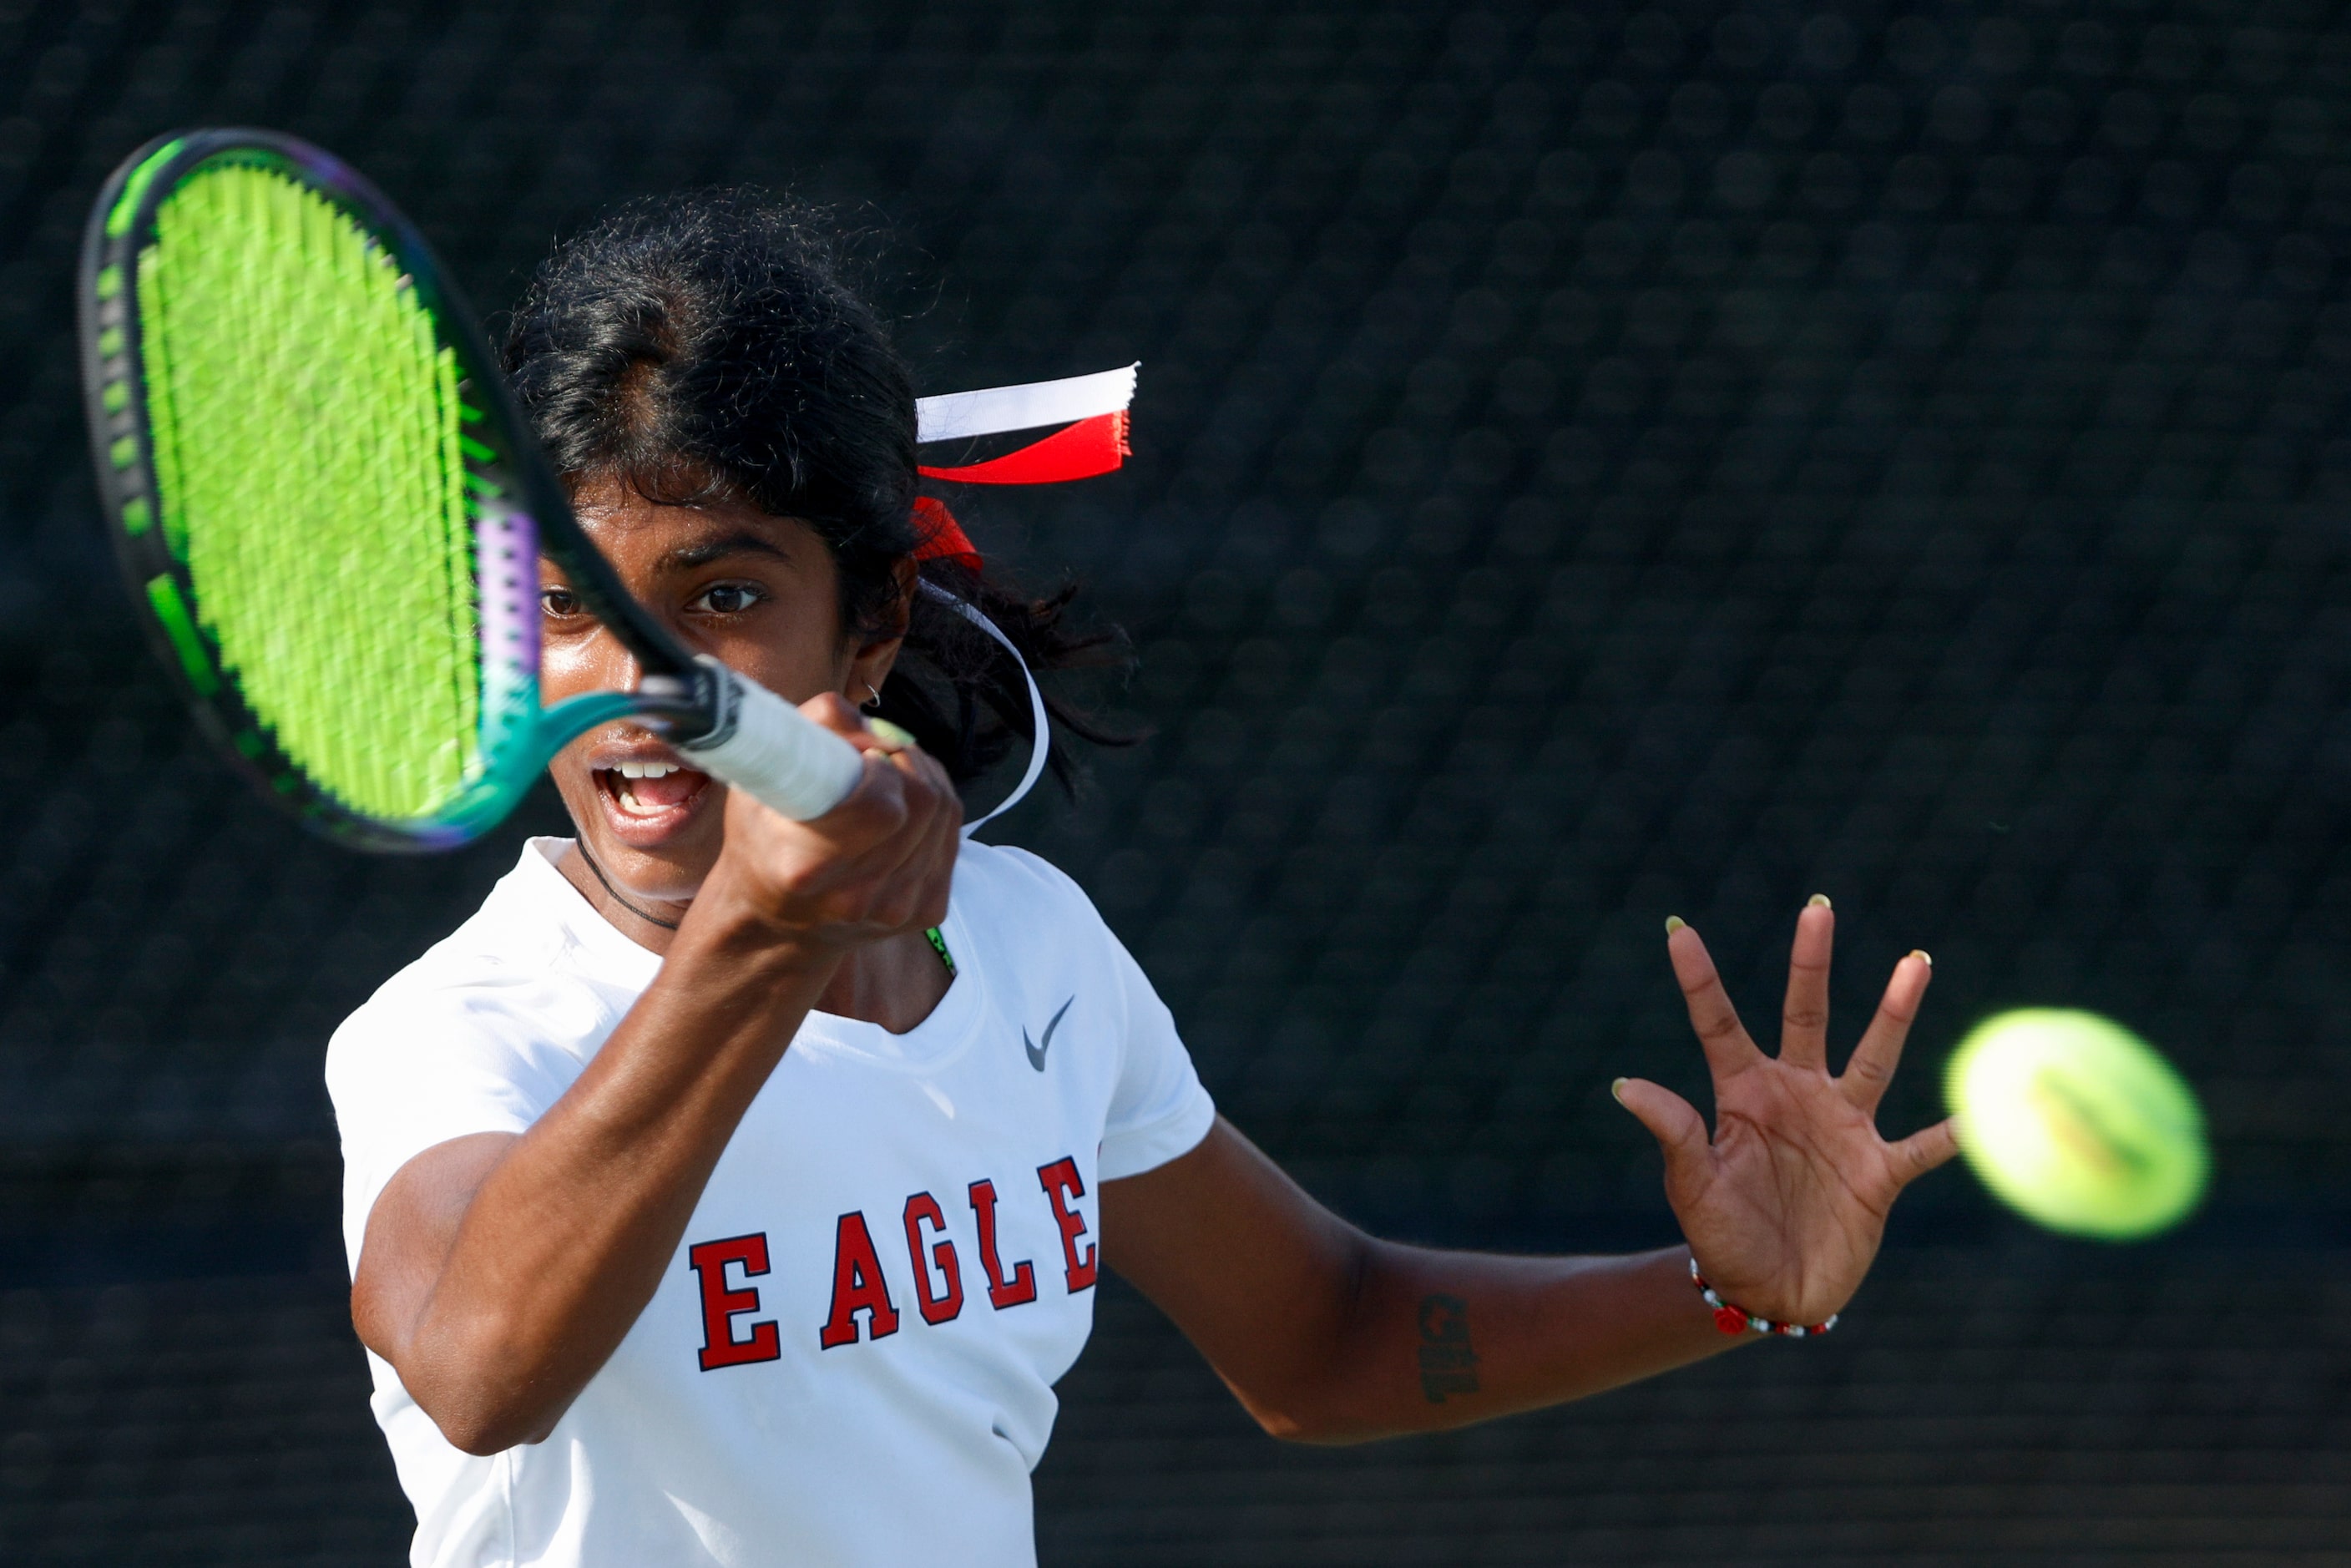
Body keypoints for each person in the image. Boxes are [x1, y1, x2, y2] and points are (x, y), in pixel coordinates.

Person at [326, 193, 1959, 1568]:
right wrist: (762, 936)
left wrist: (1729, 1295)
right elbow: (482, 1368)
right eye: (562, 606)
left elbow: (1321, 1336)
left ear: (871, 621)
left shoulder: (1035, 956)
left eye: (727, 591)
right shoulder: (457, 1037)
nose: (636, 675)